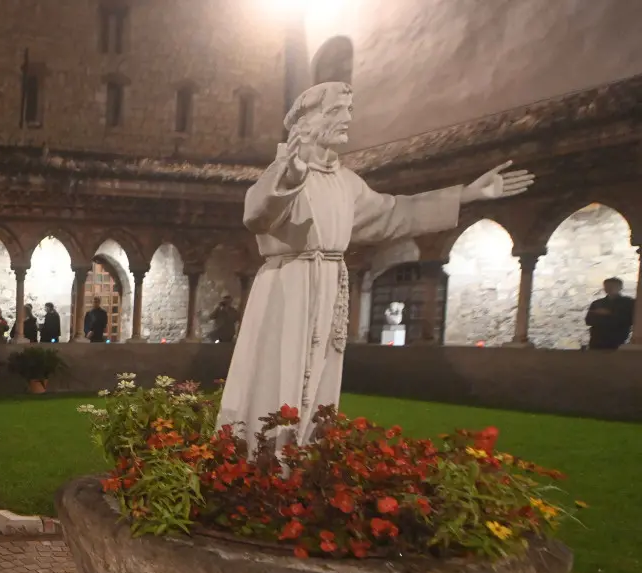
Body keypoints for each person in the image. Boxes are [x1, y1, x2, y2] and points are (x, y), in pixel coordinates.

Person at [218, 80, 534, 449]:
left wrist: (466, 194)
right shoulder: (284, 171)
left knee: (320, 374)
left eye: (349, 110)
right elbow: (257, 214)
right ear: (308, 120)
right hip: (288, 287)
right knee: (277, 369)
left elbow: (394, 212)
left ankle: (303, 456)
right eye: (336, 110)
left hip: (328, 285)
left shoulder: (347, 182)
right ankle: (262, 457)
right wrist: (294, 171)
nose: (347, 119)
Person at [585, 277, 634, 350]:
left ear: (620, 287)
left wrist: (610, 314)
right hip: (597, 339)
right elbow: (588, 321)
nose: (609, 288)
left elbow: (630, 320)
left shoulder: (628, 302)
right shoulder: (597, 303)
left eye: (612, 286)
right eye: (606, 286)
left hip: (617, 339)